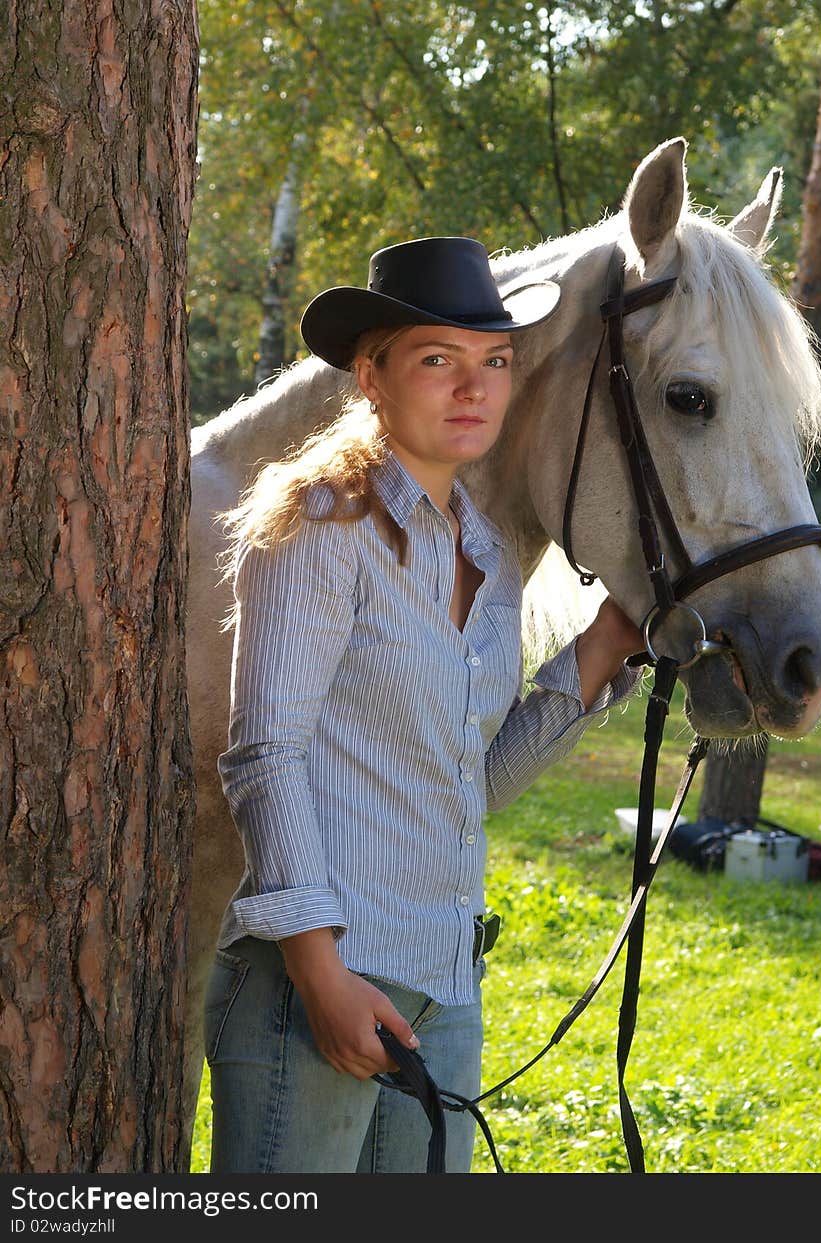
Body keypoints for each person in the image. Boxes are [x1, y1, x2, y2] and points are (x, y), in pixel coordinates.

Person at [204, 235, 644, 1174]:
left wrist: (600, 650)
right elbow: (263, 755)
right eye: (437, 360)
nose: (473, 387)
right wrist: (322, 973)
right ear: (372, 376)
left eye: (493, 362)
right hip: (314, 987)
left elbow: (463, 787)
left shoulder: (486, 558)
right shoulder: (318, 523)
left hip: (445, 990)